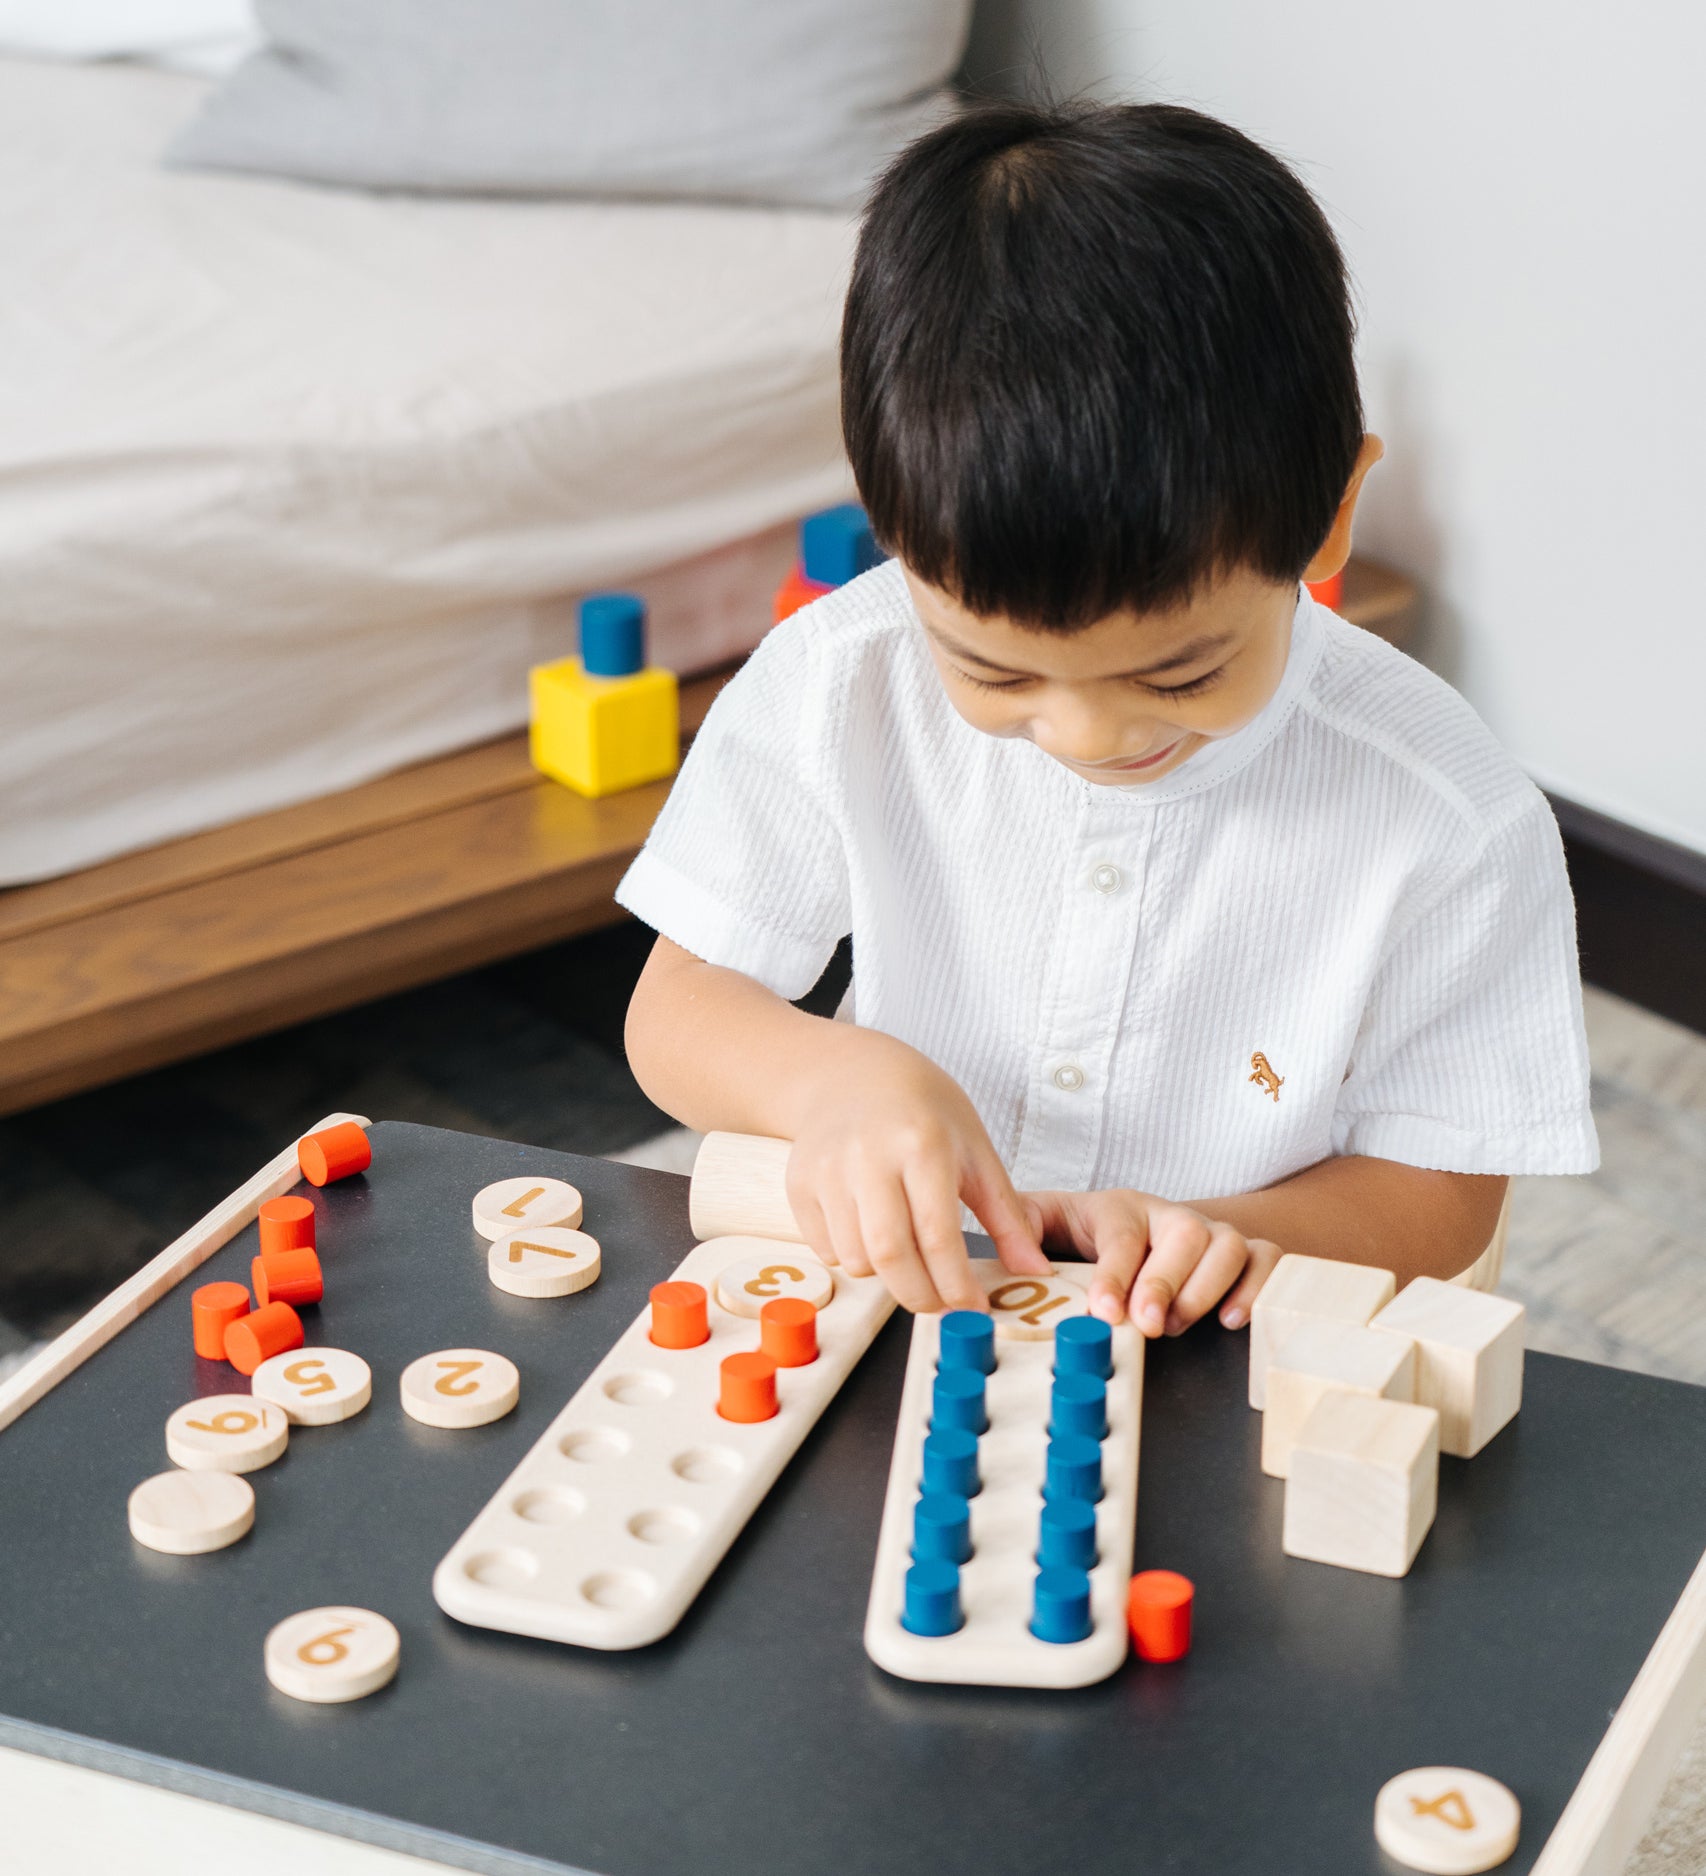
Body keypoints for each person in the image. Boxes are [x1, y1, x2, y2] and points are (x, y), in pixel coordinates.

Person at [617, 100, 1596, 1337]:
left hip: (1214, 1343)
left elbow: (1440, 1196)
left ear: (1332, 513)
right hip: (909, 1310)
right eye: (993, 673)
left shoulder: (1444, 814)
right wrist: (836, 1080)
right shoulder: (838, 677)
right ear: (892, 534)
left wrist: (1232, 1240)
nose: (1084, 737)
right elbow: (674, 1014)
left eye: (1178, 676)